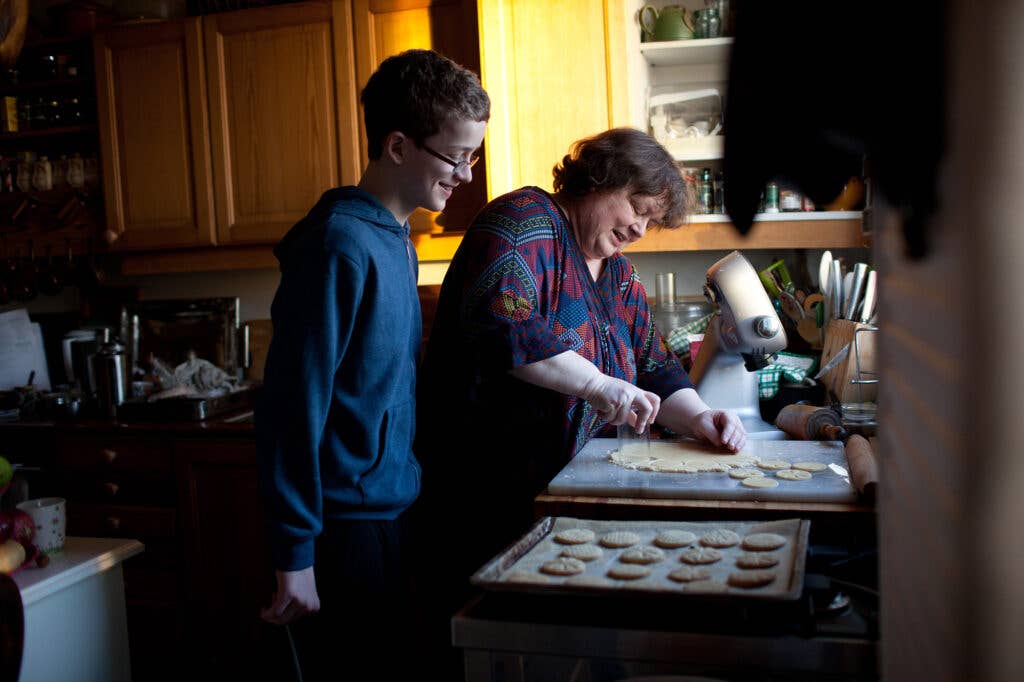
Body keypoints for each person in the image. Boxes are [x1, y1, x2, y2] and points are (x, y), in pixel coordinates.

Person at [416, 127, 747, 629]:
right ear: (600, 179)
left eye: (650, 223)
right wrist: (599, 384)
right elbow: (507, 329)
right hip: (489, 501)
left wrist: (701, 418)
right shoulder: (522, 222)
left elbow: (656, 365)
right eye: (637, 208)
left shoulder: (619, 275)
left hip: (568, 506)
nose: (639, 229)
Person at [255, 49, 489, 680]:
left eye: (473, 156)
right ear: (396, 145)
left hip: (390, 510)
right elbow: (291, 409)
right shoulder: (338, 245)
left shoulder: (398, 241)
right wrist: (294, 552)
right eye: (456, 156)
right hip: (341, 530)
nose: (466, 175)